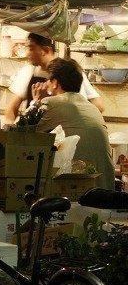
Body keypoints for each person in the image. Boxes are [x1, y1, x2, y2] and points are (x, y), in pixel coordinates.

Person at [35, 58, 115, 189]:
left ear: (54, 83)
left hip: (79, 191)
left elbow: (25, 134)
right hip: (105, 187)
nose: (46, 84)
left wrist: (36, 101)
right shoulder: (91, 107)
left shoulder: (51, 103)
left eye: (48, 80)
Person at [6, 32, 103, 121]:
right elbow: (11, 109)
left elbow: (99, 105)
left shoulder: (69, 70)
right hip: (36, 131)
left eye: (31, 48)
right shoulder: (27, 72)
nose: (27, 53)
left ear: (45, 50)